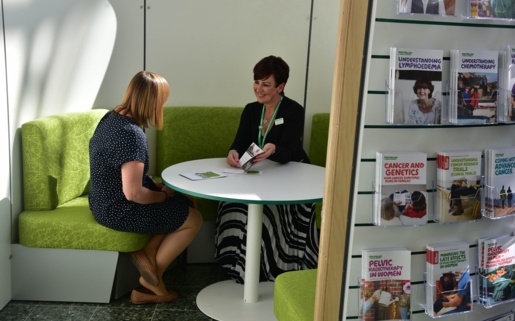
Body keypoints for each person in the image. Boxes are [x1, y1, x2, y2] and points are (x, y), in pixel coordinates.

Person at [88, 71, 203, 304]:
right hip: (118, 210)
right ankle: (152, 280)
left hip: (101, 201)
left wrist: (157, 187)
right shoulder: (131, 135)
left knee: (185, 201)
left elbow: (124, 174)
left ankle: (149, 252)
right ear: (153, 102)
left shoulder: (112, 117)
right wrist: (161, 196)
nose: (163, 105)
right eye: (162, 101)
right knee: (194, 218)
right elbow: (134, 193)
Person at [215, 55, 318, 283]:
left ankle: (272, 268)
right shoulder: (251, 110)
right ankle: (236, 265)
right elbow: (240, 142)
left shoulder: (293, 111)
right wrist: (233, 152)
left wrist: (273, 149)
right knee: (230, 201)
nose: (258, 89)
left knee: (268, 211)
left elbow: (291, 150)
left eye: (266, 84)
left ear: (280, 87)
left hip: (289, 172)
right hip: (258, 173)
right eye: (256, 82)